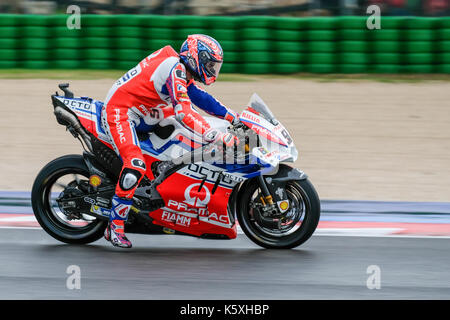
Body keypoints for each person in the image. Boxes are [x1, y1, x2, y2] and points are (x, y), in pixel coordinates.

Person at [101, 34, 240, 248]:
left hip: (146, 109)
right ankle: (115, 226)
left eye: (215, 66)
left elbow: (200, 98)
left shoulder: (181, 69)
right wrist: (213, 135)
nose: (213, 70)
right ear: (196, 58)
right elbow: (184, 112)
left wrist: (233, 116)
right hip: (123, 111)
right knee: (135, 164)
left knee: (181, 135)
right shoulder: (175, 69)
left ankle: (161, 176)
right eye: (210, 64)